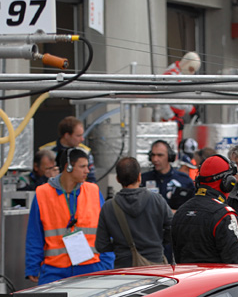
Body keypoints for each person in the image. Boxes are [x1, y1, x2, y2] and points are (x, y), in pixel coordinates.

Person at [25, 147, 113, 285]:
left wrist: (107, 264)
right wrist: (32, 267)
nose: (87, 171)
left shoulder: (93, 191)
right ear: (69, 167)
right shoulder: (43, 194)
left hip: (91, 268)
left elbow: (106, 230)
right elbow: (35, 234)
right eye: (82, 166)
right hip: (54, 270)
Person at [95, 157, 172, 268]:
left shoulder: (109, 207)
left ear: (117, 179)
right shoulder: (157, 200)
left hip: (124, 268)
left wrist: (119, 246)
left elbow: (101, 245)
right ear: (139, 177)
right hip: (155, 265)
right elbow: (172, 229)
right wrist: (158, 242)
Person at [171, 154, 238, 265]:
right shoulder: (225, 215)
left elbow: (177, 259)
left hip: (187, 281)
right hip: (219, 281)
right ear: (227, 183)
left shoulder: (181, 212)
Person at [142, 140, 196, 211]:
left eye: (160, 155)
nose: (155, 159)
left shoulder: (184, 180)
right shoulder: (143, 179)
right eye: (153, 155)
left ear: (170, 157)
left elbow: (193, 208)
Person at [159, 51, 201, 137]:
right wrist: (171, 117)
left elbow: (182, 98)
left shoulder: (182, 74)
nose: (192, 73)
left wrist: (192, 110)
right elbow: (162, 98)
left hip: (178, 119)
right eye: (191, 69)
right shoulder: (171, 74)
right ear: (187, 64)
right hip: (168, 120)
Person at [55, 116, 96, 184]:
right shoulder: (48, 151)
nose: (82, 139)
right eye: (78, 136)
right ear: (67, 136)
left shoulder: (86, 152)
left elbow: (91, 179)